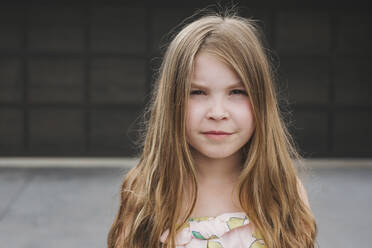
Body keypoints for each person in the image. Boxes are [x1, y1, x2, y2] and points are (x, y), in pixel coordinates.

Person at [107, 9, 317, 248]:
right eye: (197, 92)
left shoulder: (282, 191)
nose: (217, 113)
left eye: (237, 92)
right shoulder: (146, 192)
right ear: (171, 101)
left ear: (262, 100)